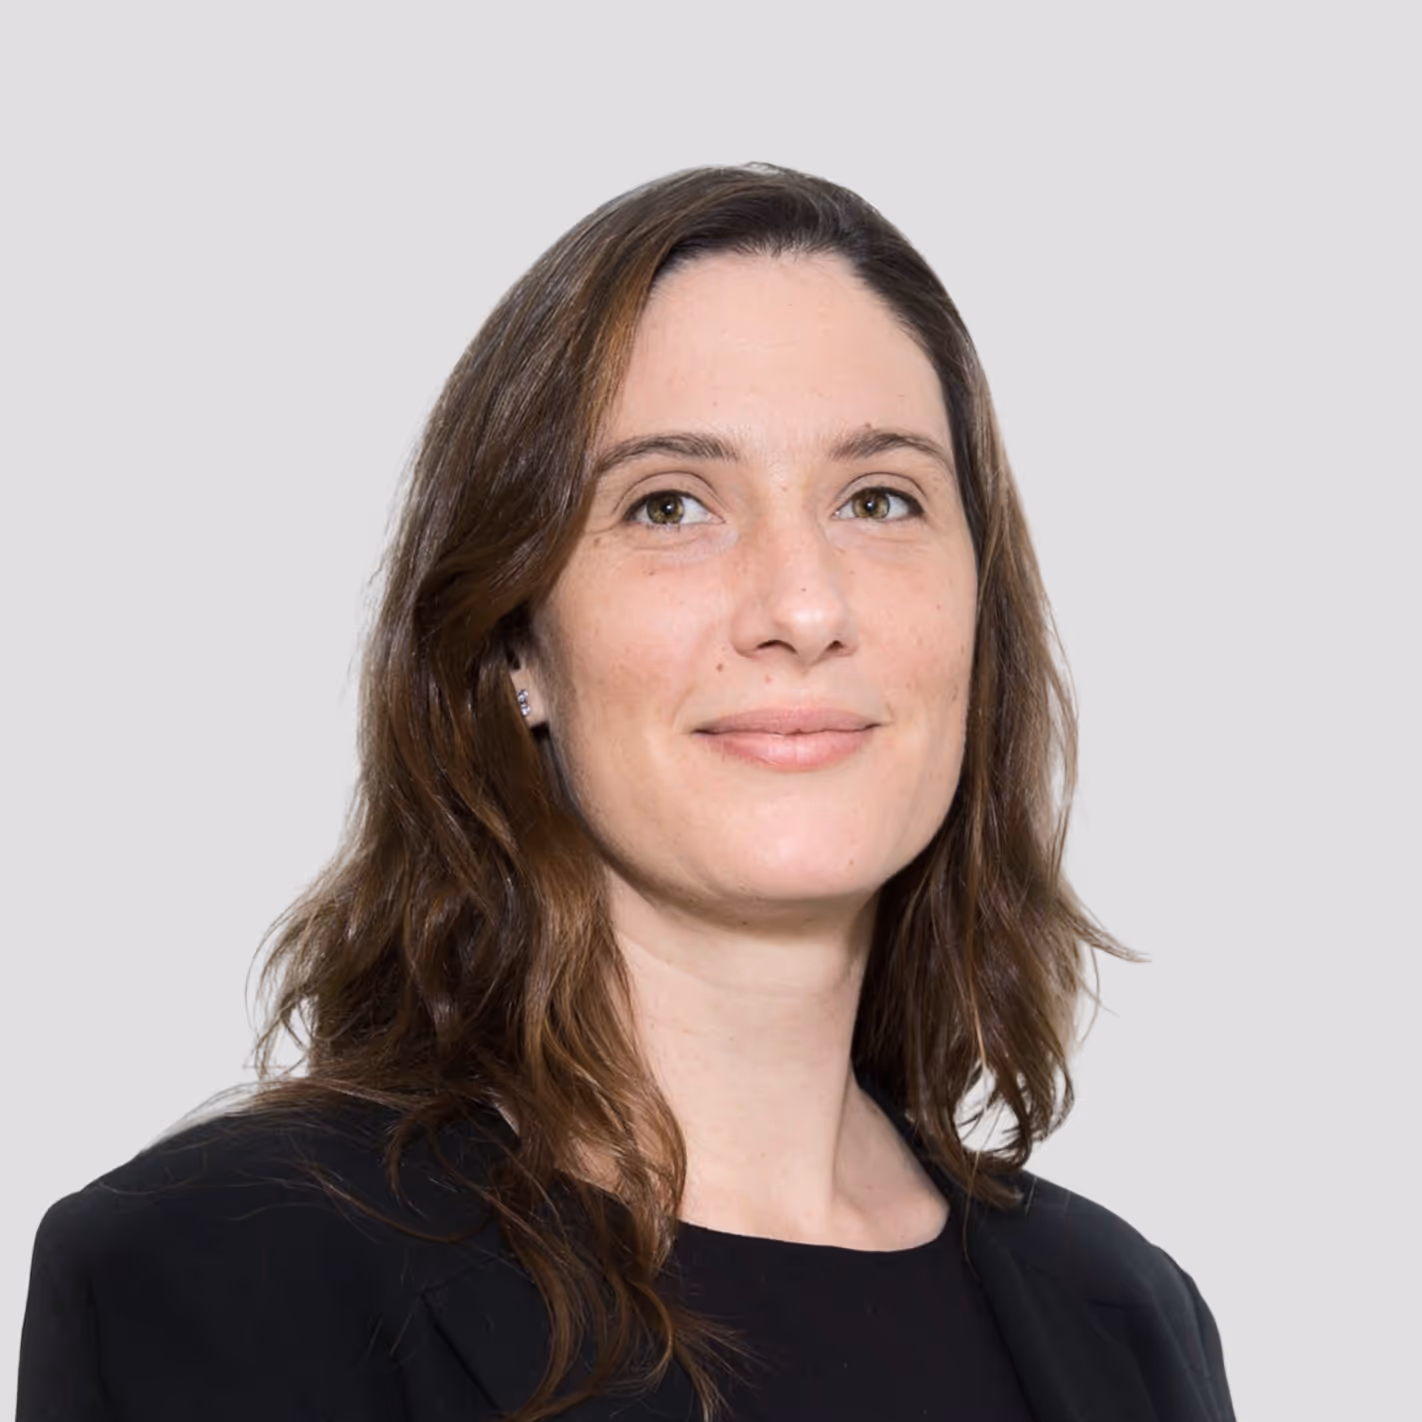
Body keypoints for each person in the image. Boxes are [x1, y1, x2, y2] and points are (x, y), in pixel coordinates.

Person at [17, 163, 1235, 1421]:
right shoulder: (218, 1273)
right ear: (515, 650)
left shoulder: (1132, 1325)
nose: (805, 609)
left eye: (880, 499)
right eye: (670, 504)